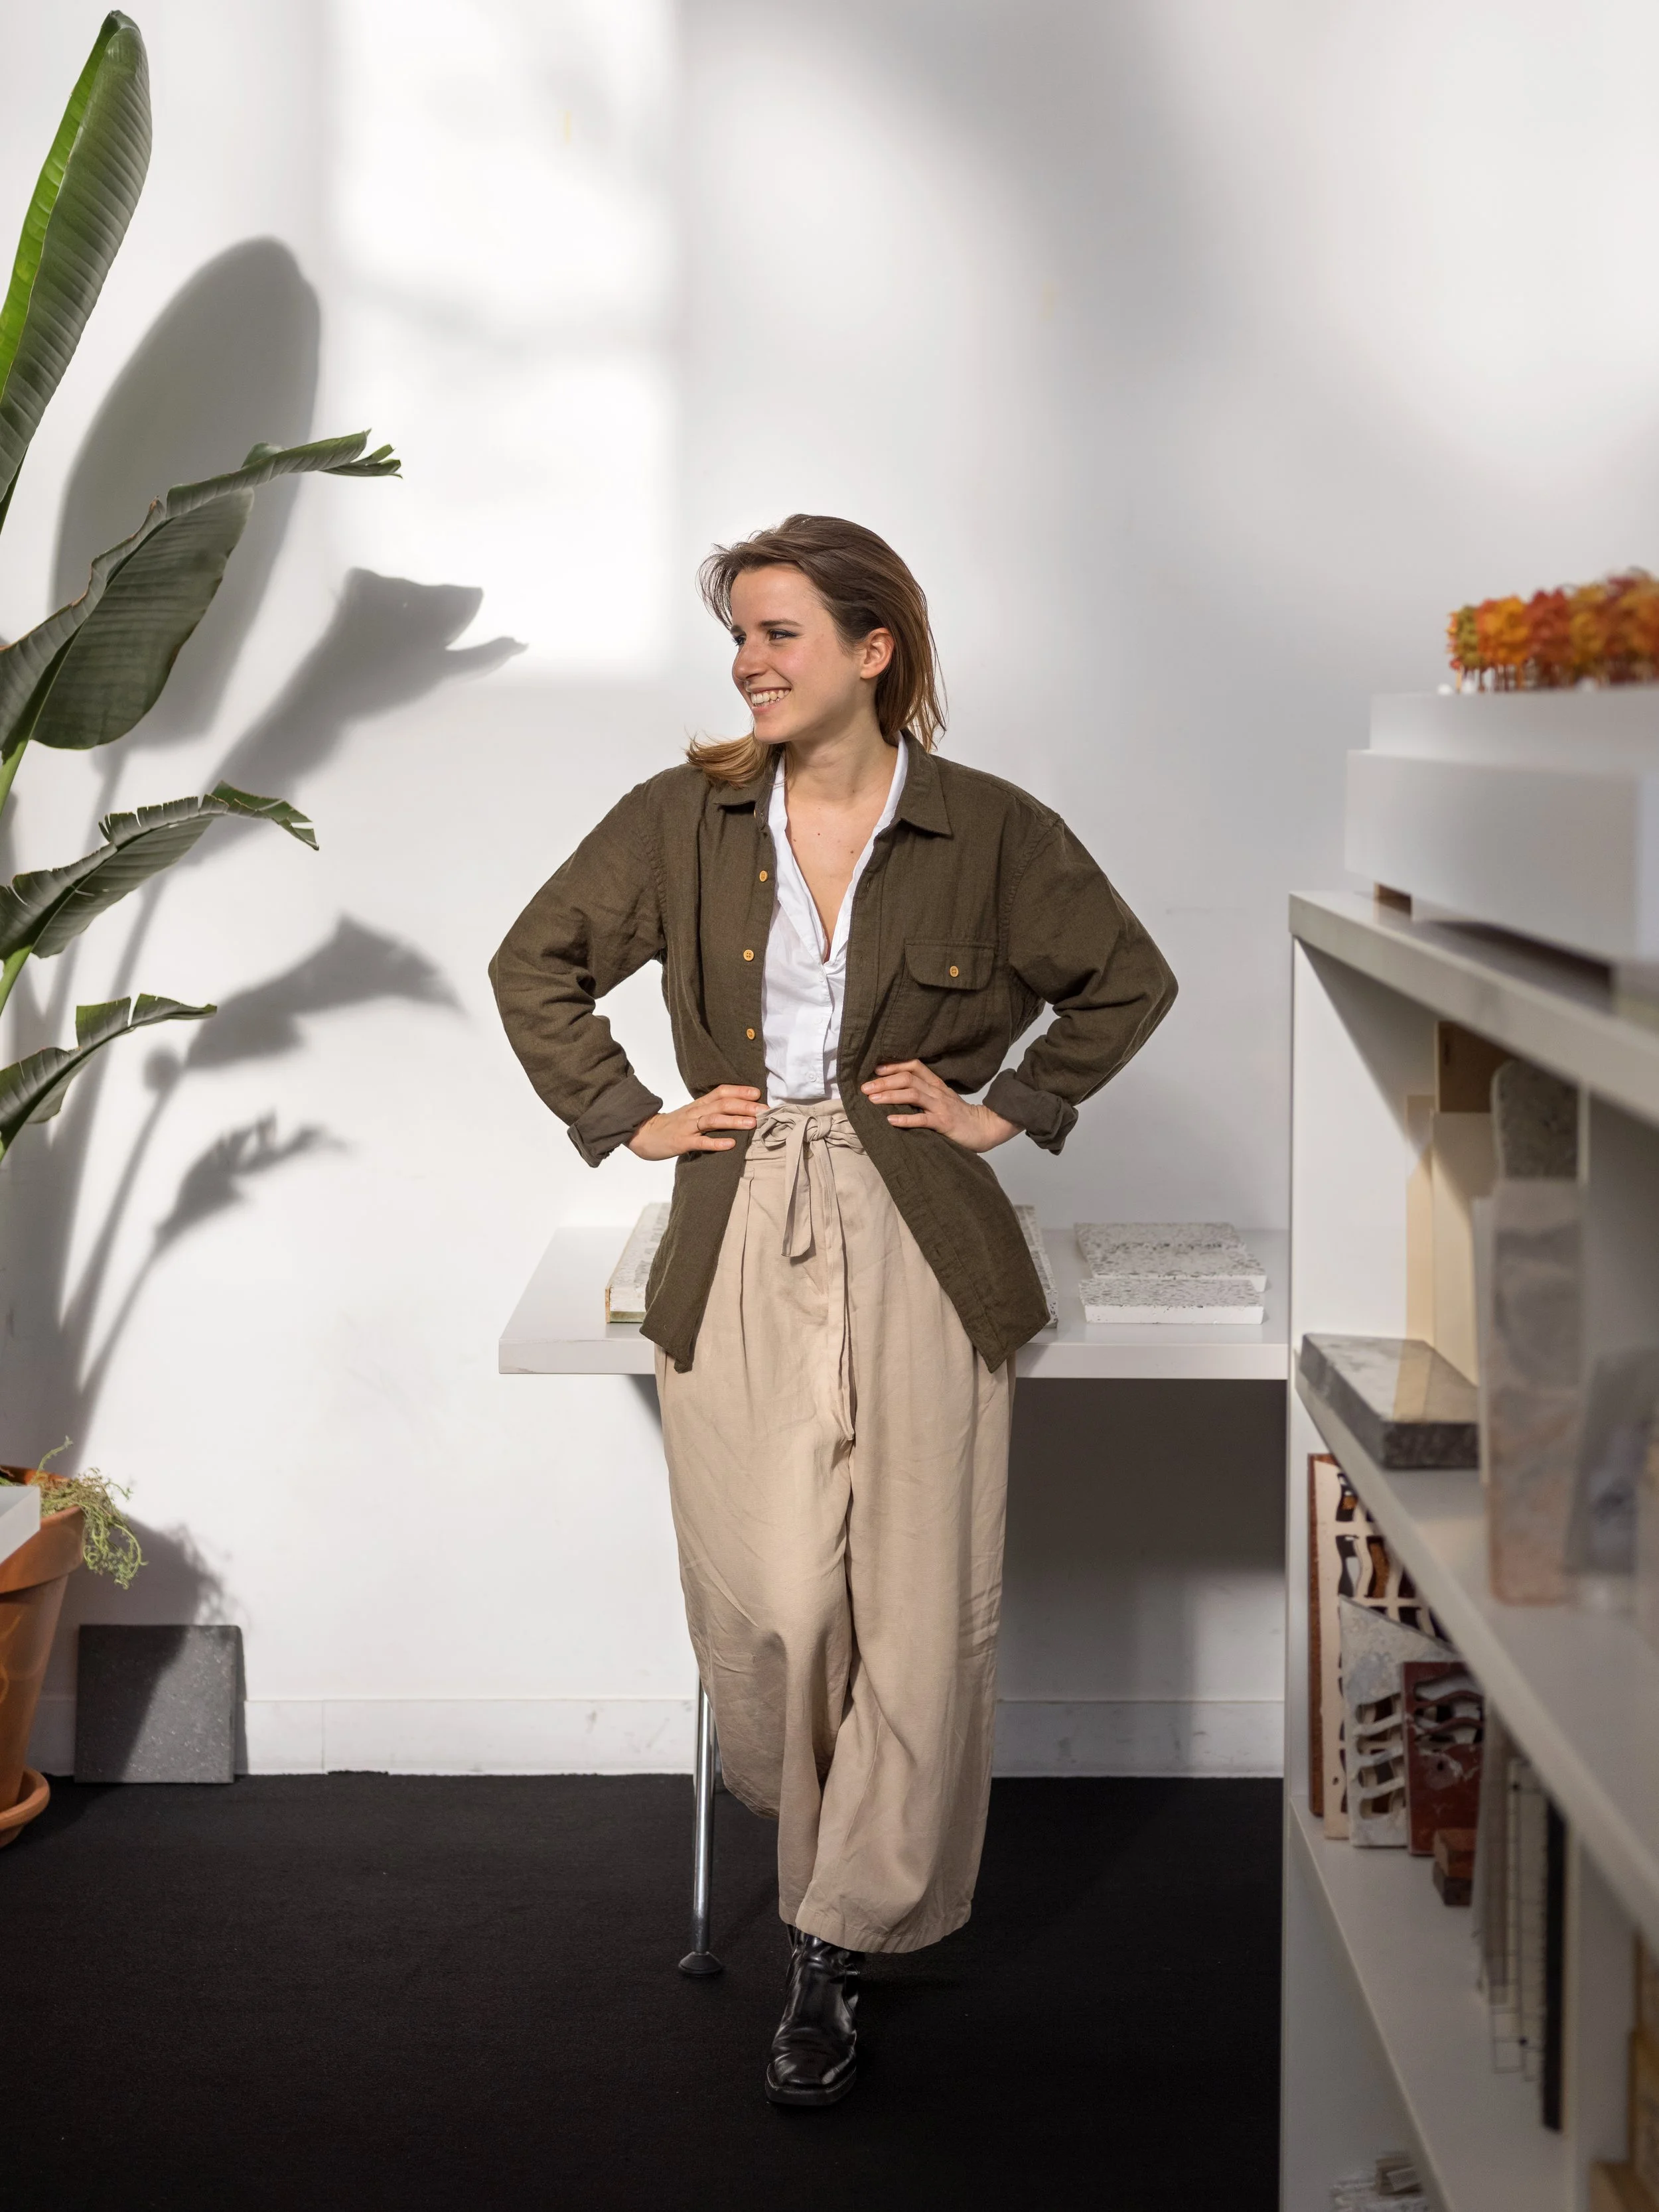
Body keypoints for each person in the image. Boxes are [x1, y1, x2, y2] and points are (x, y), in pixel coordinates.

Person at [490, 514, 1176, 2109]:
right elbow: (536, 963)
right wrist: (627, 1114)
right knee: (782, 1593)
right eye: (739, 632)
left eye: (781, 630)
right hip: (741, 1213)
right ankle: (816, 1855)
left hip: (921, 1224)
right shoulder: (681, 816)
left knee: (922, 1599)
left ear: (874, 649)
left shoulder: (993, 829)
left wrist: (1010, 1106)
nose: (748, 659)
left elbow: (1123, 979)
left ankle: (836, 1938)